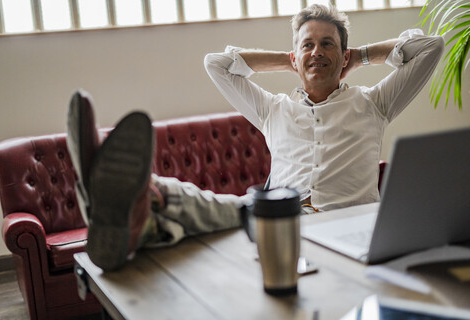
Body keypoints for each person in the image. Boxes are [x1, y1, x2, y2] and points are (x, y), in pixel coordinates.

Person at [67, 4, 444, 271]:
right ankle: (139, 205)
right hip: (277, 217)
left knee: (220, 215)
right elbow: (215, 64)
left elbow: (431, 47)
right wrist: (291, 60)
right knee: (214, 208)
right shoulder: (273, 108)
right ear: (294, 57)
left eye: (328, 44)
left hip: (347, 224)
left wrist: (359, 56)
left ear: (342, 55)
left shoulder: (374, 103)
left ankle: (132, 210)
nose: (317, 52)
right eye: (307, 45)